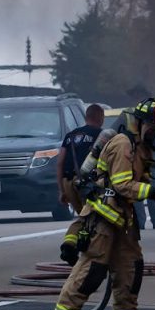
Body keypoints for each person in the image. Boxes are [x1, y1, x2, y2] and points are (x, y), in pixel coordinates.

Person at [53, 98, 155, 310]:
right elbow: (121, 184)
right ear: (139, 123)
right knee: (94, 265)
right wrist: (153, 193)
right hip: (104, 214)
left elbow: (139, 180)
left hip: (123, 217)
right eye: (153, 127)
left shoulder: (141, 148)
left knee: (131, 265)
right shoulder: (122, 144)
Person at [57, 103, 106, 266]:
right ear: (100, 118)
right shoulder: (102, 136)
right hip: (88, 185)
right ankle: (78, 249)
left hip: (68, 183)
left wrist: (61, 191)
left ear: (86, 117)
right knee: (91, 218)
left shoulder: (70, 136)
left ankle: (72, 244)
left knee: (84, 217)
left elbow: (60, 163)